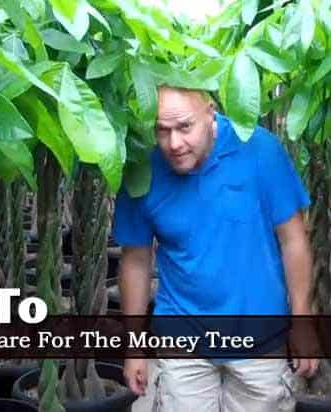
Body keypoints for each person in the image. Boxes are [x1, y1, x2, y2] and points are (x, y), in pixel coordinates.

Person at [112, 86, 319, 411]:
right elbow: (136, 261)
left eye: (184, 127)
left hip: (260, 341)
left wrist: (303, 319)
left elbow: (293, 240)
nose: (174, 143)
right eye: (161, 130)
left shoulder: (260, 149)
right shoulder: (143, 167)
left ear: (210, 112)